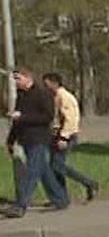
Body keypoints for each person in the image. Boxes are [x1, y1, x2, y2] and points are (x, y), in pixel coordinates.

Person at [3, 68, 68, 217]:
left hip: (39, 139)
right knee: (44, 172)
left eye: (18, 79)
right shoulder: (21, 95)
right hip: (25, 139)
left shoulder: (43, 94)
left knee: (31, 173)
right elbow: (17, 121)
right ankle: (60, 199)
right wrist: (10, 140)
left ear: (28, 78)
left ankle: (20, 206)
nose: (16, 82)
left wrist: (22, 117)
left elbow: (47, 117)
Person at [42, 73, 98, 203]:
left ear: (54, 83)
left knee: (57, 165)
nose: (45, 87)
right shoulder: (55, 97)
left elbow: (71, 119)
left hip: (65, 136)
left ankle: (89, 183)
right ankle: (61, 197)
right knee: (55, 166)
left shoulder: (65, 97)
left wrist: (64, 137)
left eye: (47, 84)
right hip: (55, 135)